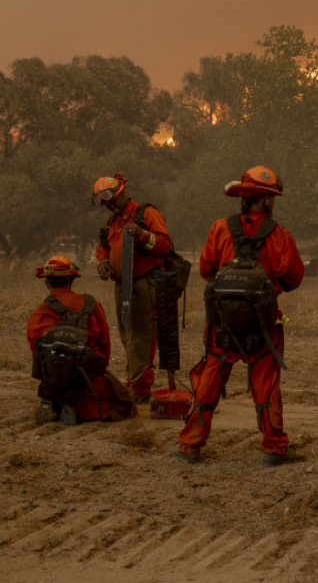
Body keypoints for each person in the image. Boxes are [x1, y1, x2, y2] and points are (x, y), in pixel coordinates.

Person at [176, 166, 305, 466]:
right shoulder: (281, 236)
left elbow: (208, 270)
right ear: (265, 200)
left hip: (222, 324)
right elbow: (295, 277)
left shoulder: (220, 228)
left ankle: (189, 447)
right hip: (263, 326)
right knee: (267, 383)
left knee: (209, 380)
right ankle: (273, 448)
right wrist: (269, 291)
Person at [92, 173, 174, 403]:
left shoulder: (145, 214)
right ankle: (134, 379)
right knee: (127, 336)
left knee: (141, 335)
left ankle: (140, 387)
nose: (108, 207)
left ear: (121, 193)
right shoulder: (113, 222)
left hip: (144, 283)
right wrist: (103, 264)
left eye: (110, 201)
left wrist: (141, 235)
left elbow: (164, 245)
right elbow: (103, 248)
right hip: (121, 285)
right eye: (104, 204)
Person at [28, 255, 135, 425]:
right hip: (90, 386)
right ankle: (74, 407)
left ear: (47, 282)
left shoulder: (39, 314)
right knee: (126, 403)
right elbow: (104, 353)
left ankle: (52, 404)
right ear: (71, 280)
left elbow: (39, 356)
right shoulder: (92, 305)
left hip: (53, 385)